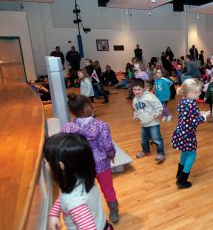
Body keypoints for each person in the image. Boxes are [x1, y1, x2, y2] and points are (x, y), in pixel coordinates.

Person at [61, 94, 119, 223]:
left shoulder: (67, 128)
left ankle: (88, 213)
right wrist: (111, 155)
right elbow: (107, 145)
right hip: (101, 164)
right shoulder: (101, 125)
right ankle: (114, 210)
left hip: (79, 165)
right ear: (88, 107)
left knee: (84, 189)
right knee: (107, 187)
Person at [45, 133, 114, 230]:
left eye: (46, 161)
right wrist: (54, 213)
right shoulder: (82, 177)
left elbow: (71, 200)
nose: (44, 164)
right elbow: (65, 196)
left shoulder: (74, 202)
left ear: (61, 166)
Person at [172, 78, 210, 189]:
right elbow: (195, 121)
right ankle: (182, 180)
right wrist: (204, 116)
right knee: (192, 154)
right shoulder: (192, 104)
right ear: (189, 93)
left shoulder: (183, 101)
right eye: (197, 92)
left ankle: (179, 173)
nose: (200, 93)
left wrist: (199, 113)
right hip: (188, 134)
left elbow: (187, 115)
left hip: (181, 131)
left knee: (185, 152)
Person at [132, 78, 165, 163]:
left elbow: (159, 106)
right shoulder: (135, 100)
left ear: (144, 88)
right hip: (144, 123)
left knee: (157, 139)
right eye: (134, 89)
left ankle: (161, 154)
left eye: (139, 89)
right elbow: (137, 110)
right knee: (144, 140)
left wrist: (158, 113)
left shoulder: (150, 97)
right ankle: (146, 151)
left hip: (153, 122)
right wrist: (136, 115)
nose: (136, 91)